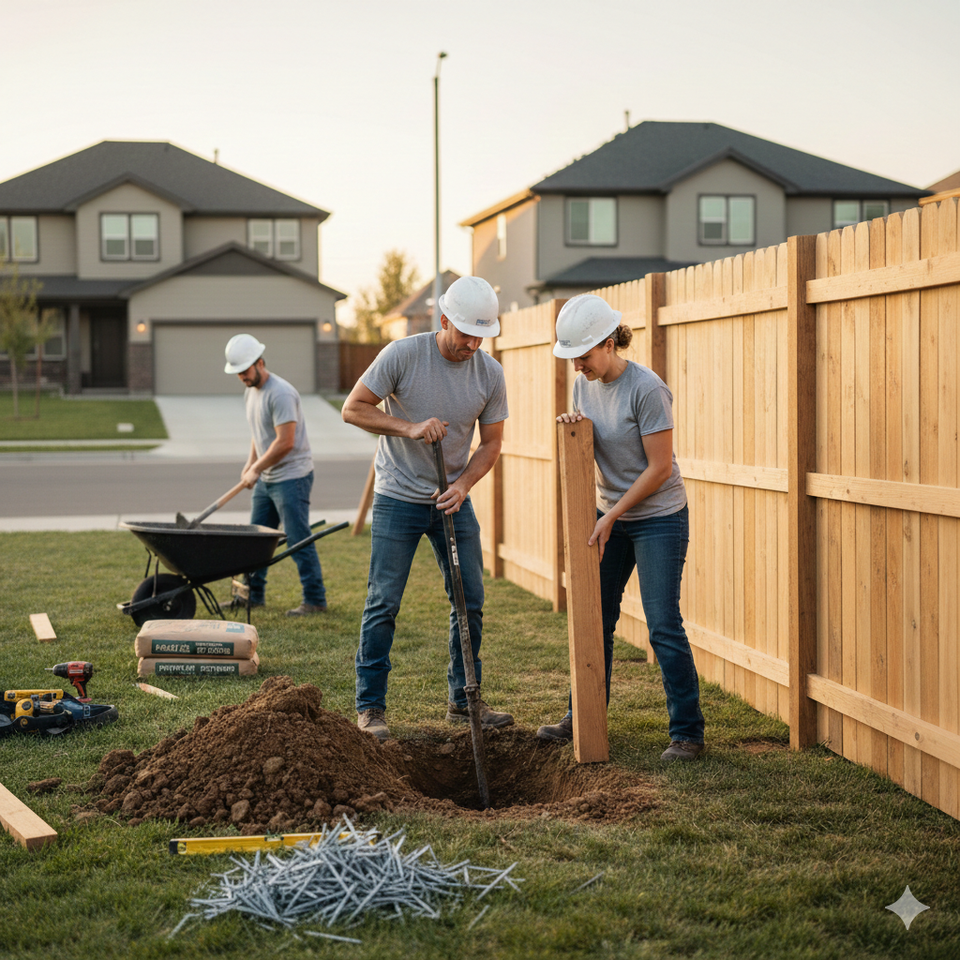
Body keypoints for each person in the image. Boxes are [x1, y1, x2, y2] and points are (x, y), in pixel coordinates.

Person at [341, 275, 513, 741]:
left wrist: (463, 485)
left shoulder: (489, 373)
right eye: (464, 335)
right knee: (383, 602)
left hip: (451, 500)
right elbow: (353, 409)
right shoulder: (403, 355)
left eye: (481, 336)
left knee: (469, 601)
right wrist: (409, 427)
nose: (472, 344)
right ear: (443, 322)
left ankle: (465, 700)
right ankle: (371, 707)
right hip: (398, 496)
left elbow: (492, 443)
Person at [538, 294, 705, 761]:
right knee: (595, 616)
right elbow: (592, 445)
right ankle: (583, 715)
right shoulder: (583, 387)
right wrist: (575, 430)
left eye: (584, 356)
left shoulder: (647, 389)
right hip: (610, 514)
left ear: (609, 343)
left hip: (658, 519)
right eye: (571, 357)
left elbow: (658, 468)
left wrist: (611, 514)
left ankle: (688, 733)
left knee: (662, 623)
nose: (577, 366)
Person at [222, 333, 327, 616]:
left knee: (297, 538)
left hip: (292, 476)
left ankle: (315, 600)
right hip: (267, 479)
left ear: (260, 362)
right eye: (238, 373)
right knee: (255, 540)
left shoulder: (280, 393)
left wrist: (257, 468)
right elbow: (260, 435)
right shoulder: (251, 392)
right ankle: (251, 596)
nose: (242, 377)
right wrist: (250, 464)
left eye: (245, 371)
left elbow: (285, 442)